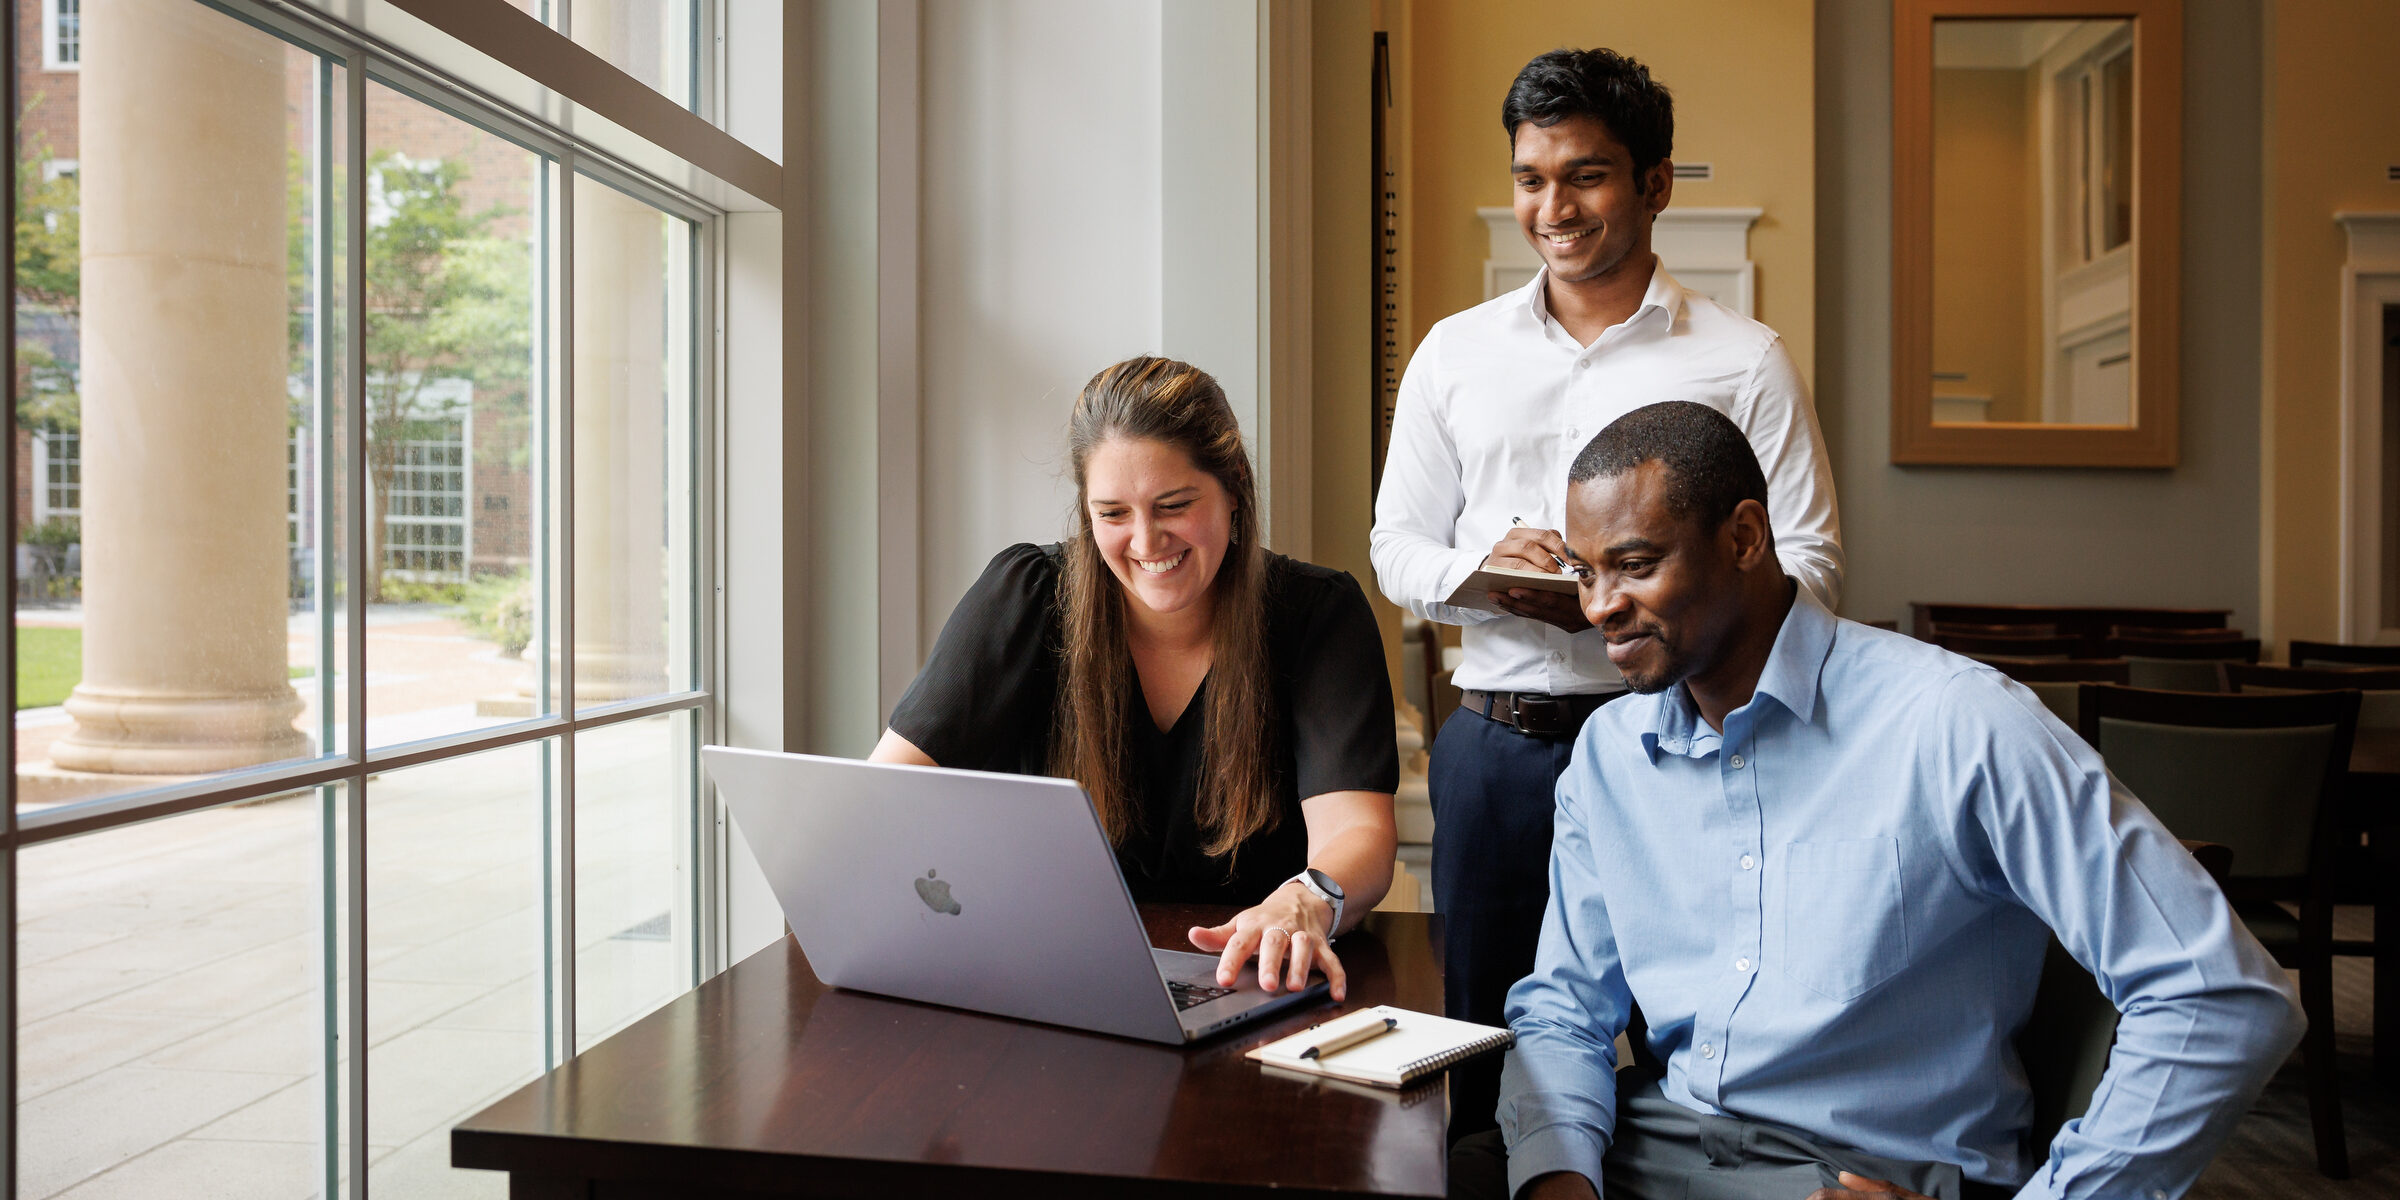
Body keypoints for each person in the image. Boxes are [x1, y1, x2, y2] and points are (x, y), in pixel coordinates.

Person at [1448, 402, 2302, 1200]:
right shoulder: (1608, 755)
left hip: (1866, 1174)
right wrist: (1561, 1175)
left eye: (1634, 566)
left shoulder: (1960, 723)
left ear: (1745, 537)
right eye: (1584, 572)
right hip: (1651, 1147)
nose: (1598, 608)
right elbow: (1563, 1009)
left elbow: (2223, 998)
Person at [1368, 47, 1841, 1136]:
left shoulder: (1744, 360)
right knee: (1481, 1050)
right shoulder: (1453, 354)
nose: (1552, 206)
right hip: (1497, 750)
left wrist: (1662, 599)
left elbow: (1811, 560)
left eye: (1583, 175)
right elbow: (1397, 546)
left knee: (1694, 1041)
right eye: (1531, 178)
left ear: (1655, 185)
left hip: (1684, 747)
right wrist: (1489, 584)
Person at [873, 356, 1399, 1000]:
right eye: (1112, 513)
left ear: (1234, 486)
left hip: (1251, 983)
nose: (1147, 541)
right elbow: (887, 794)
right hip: (1048, 981)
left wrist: (1305, 900)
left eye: (1174, 505)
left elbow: (1359, 834)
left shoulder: (1318, 615)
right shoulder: (1026, 596)